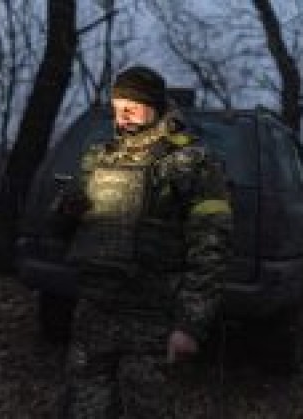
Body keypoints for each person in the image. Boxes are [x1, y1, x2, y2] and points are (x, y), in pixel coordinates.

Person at [50, 65, 233, 417]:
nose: (123, 117)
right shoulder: (100, 157)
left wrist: (189, 325)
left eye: (132, 108)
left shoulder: (191, 163)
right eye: (118, 108)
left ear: (155, 107)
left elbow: (211, 249)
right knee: (83, 408)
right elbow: (59, 229)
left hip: (152, 318)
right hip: (95, 312)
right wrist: (65, 209)